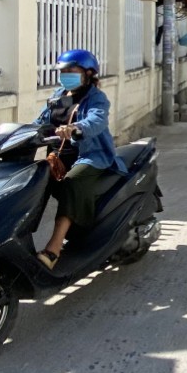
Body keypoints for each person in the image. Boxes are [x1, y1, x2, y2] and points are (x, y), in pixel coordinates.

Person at [33, 49, 128, 270]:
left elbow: (96, 120)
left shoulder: (96, 98)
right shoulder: (58, 95)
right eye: (63, 71)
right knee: (34, 182)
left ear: (88, 73)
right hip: (58, 156)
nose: (65, 75)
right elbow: (40, 120)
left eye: (71, 71)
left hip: (90, 156)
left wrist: (76, 127)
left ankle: (54, 248)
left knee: (72, 183)